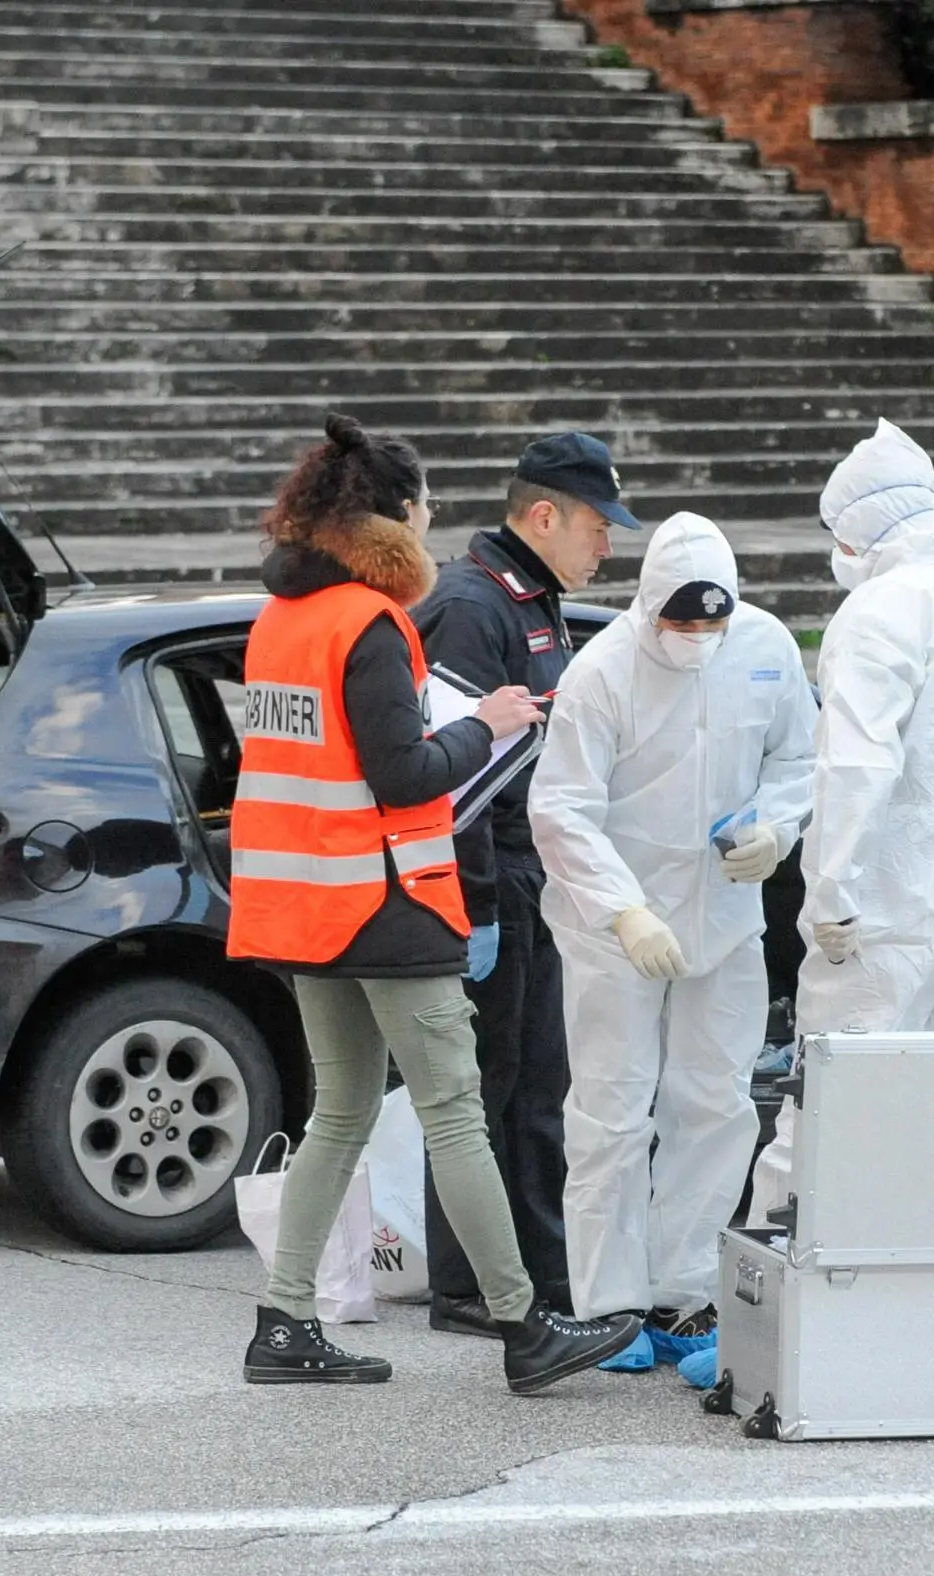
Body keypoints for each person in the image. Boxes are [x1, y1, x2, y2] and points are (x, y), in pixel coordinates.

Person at [227, 413, 642, 1391]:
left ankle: (285, 1320)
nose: (428, 528)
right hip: (386, 901)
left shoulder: (280, 620)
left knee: (339, 1113)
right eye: (422, 511)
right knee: (457, 1110)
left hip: (307, 905)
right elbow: (405, 773)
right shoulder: (367, 626)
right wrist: (489, 726)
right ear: (392, 520)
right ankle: (523, 1324)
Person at [746, 420, 934, 1220]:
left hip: (892, 900)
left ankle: (776, 1314)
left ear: (857, 529)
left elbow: (856, 767)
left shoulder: (883, 610)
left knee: (830, 1110)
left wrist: (831, 895)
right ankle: (916, 1294)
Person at [531, 513, 815, 1381]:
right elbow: (561, 807)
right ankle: (607, 1306)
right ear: (650, 608)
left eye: (710, 624)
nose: (696, 640)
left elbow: (799, 758)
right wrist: (623, 911)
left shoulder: (764, 647)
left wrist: (777, 828)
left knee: (716, 1102)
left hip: (724, 918)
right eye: (681, 624)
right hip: (615, 929)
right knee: (612, 1112)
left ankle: (680, 1289)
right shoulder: (603, 673)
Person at [409, 433, 638, 1339]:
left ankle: (545, 1275)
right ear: (542, 516)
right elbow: (447, 776)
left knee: (537, 1085)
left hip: (529, 877)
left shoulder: (534, 602)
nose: (608, 544)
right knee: (486, 1089)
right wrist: (473, 907)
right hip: (487, 884)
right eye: (595, 525)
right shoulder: (473, 608)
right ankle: (468, 1286)